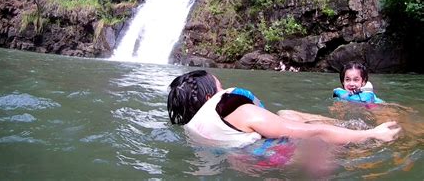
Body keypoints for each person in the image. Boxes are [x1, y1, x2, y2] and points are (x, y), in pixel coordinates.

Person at [167, 70, 401, 148]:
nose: (225, 88)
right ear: (210, 95)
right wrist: (371, 134)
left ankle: (343, 125)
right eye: (220, 85)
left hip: (246, 160)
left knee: (286, 114)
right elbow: (315, 133)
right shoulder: (240, 111)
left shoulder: (193, 126)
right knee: (308, 127)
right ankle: (354, 128)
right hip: (275, 159)